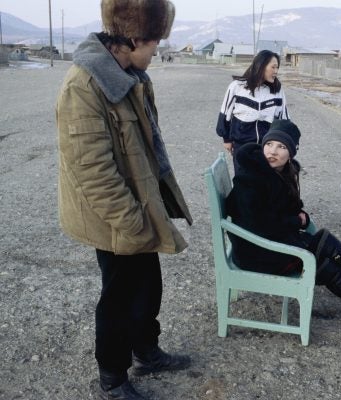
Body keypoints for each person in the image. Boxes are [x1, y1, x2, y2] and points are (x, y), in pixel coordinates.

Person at [56, 1, 193, 398]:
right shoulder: (83, 85)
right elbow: (92, 172)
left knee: (148, 285)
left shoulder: (131, 73)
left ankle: (146, 350)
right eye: (154, 43)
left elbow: (148, 145)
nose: (156, 51)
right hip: (114, 216)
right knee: (118, 294)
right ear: (132, 39)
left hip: (140, 205)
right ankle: (113, 378)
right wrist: (134, 220)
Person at [225, 119, 341, 328]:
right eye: (269, 145)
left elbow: (282, 208)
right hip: (258, 253)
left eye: (281, 147)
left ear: (291, 153)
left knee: (323, 241)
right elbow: (259, 223)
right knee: (323, 264)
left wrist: (299, 216)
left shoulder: (274, 173)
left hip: (268, 243)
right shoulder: (252, 177)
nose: (273, 151)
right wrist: (295, 221)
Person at [216, 49, 290, 173]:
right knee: (243, 181)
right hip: (241, 145)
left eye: (277, 68)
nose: (276, 71)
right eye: (273, 67)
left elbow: (284, 120)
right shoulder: (237, 86)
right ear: (261, 66)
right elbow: (225, 113)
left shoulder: (277, 91)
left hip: (268, 148)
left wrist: (288, 145)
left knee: (266, 183)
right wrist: (226, 139)